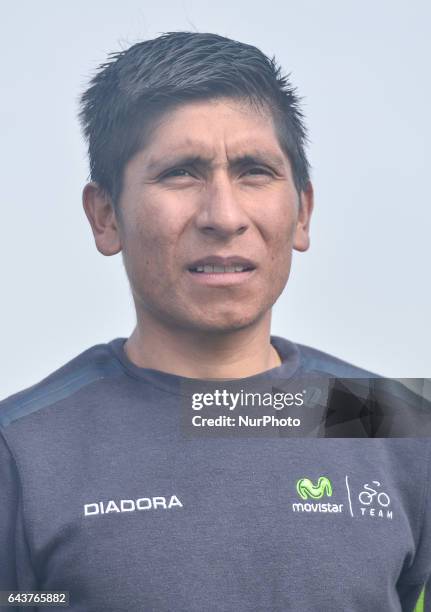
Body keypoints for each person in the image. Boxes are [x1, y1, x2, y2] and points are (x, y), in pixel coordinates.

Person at [0, 31, 429, 612]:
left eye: (254, 171)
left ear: (302, 212)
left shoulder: (398, 428)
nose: (223, 216)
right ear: (105, 216)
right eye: (181, 173)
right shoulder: (25, 450)